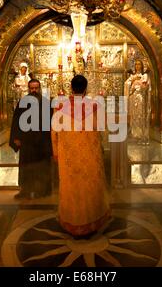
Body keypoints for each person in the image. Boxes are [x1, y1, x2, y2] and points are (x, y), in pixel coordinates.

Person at [52, 75, 111, 238]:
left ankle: (71, 220)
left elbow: (54, 132)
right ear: (86, 88)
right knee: (90, 185)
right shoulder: (94, 105)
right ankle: (92, 220)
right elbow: (102, 128)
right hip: (90, 155)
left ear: (71, 88)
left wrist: (56, 152)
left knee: (72, 187)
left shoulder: (60, 106)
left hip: (68, 157)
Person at [9, 79, 52, 199]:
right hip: (26, 141)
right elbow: (16, 120)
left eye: (36, 88)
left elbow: (51, 122)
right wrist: (16, 137)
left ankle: (42, 191)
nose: (34, 91)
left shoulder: (46, 102)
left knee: (42, 167)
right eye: (32, 88)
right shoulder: (23, 102)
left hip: (42, 141)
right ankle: (25, 190)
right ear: (28, 89)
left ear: (40, 88)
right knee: (26, 167)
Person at [124, 59, 151, 144]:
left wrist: (139, 84)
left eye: (139, 64)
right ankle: (134, 134)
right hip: (133, 97)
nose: (137, 66)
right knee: (133, 116)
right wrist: (133, 80)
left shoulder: (145, 76)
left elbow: (146, 87)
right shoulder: (132, 76)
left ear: (142, 66)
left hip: (140, 98)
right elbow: (126, 84)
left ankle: (141, 135)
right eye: (136, 64)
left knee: (140, 115)